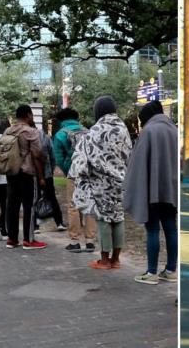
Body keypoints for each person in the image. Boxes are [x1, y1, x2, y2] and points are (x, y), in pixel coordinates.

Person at [69, 96, 132, 269]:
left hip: (101, 183)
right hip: (121, 181)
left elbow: (83, 158)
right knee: (118, 218)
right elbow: (129, 154)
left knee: (104, 219)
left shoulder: (95, 131)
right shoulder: (123, 129)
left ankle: (104, 260)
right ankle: (116, 260)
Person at [125, 100, 178, 285]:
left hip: (151, 190)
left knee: (153, 229)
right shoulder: (174, 130)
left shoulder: (148, 131)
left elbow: (137, 164)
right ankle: (172, 270)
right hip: (171, 189)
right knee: (171, 228)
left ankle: (152, 272)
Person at [2, 105, 47, 250]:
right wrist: (41, 176)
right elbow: (37, 155)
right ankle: (28, 239)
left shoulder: (8, 131)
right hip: (27, 173)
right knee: (29, 206)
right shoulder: (30, 131)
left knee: (12, 205)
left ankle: (12, 238)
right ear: (29, 115)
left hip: (11, 172)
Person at [53, 108, 96, 252]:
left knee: (73, 205)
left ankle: (75, 240)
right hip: (90, 173)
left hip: (73, 173)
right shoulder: (88, 131)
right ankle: (90, 240)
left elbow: (58, 158)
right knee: (89, 204)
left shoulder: (61, 134)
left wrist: (68, 172)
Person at [36, 127, 67, 232]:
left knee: (35, 198)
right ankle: (59, 222)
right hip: (47, 173)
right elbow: (53, 156)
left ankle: (35, 225)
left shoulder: (27, 137)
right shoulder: (46, 138)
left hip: (33, 174)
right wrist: (51, 169)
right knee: (52, 198)